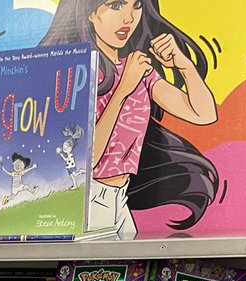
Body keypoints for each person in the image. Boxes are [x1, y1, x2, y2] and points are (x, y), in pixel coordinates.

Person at [41, 0, 218, 237]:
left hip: (119, 197)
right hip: (90, 199)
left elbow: (203, 114)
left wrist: (182, 64)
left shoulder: (137, 69)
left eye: (136, 5)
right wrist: (123, 88)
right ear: (89, 14)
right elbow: (87, 159)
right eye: (116, 6)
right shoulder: (78, 75)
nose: (128, 18)